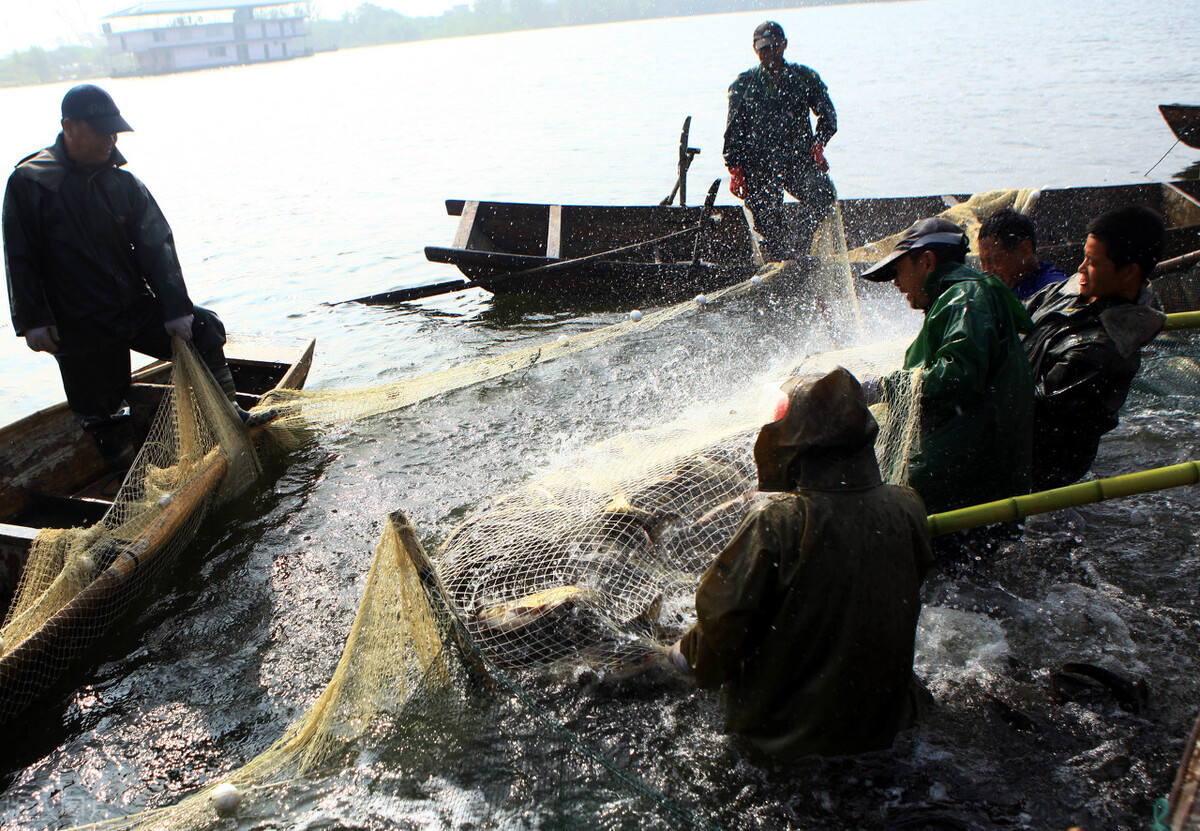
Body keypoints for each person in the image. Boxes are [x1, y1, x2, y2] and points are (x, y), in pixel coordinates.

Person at [3, 84, 275, 470]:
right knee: (104, 411)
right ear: (69, 127)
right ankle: (131, 483)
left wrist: (175, 309)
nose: (109, 139)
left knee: (205, 328)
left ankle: (231, 412)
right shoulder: (30, 183)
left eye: (113, 131)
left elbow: (157, 247)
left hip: (133, 306)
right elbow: (19, 257)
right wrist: (32, 321)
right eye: (100, 131)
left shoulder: (123, 183)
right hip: (77, 324)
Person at [666, 368, 933, 760]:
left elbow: (721, 634)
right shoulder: (907, 506)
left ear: (789, 442)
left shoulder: (778, 523)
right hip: (891, 733)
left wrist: (677, 655)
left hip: (786, 746)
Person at [859, 217, 1035, 519]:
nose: (896, 283)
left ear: (927, 262)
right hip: (975, 477)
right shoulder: (962, 297)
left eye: (898, 270)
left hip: (961, 484)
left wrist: (883, 388)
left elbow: (957, 375)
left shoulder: (966, 297)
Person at [1022, 206, 1166, 490]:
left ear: (1129, 272)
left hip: (1036, 467)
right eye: (1084, 256)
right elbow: (1017, 316)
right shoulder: (1070, 290)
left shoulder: (1103, 350)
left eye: (1093, 262)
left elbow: (1030, 410)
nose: (1080, 268)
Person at [723, 20, 837, 262]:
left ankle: (800, 247)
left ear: (784, 45)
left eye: (774, 46)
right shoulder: (744, 84)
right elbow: (733, 131)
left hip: (798, 160)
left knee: (824, 193)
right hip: (759, 167)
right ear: (755, 49)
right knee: (767, 221)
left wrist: (818, 145)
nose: (769, 53)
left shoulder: (804, 77)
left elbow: (828, 117)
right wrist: (735, 169)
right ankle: (780, 254)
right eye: (763, 48)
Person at [977, 208, 1068, 301]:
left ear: (1024, 250)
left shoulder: (1056, 290)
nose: (987, 270)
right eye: (983, 261)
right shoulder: (993, 291)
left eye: (996, 259)